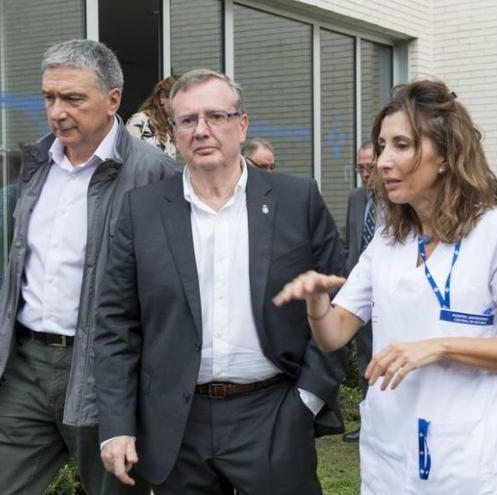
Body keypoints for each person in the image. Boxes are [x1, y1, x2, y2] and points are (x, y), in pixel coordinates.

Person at [273, 80, 497, 494]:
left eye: (401, 145)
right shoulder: (390, 240)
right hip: (389, 453)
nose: (382, 161)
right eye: (381, 145)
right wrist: (318, 304)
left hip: (462, 459)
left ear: (445, 155)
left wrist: (439, 346)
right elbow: (335, 333)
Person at [94, 68, 347, 495]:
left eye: (216, 116)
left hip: (273, 414)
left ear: (241, 124)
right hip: (178, 423)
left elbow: (343, 301)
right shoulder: (144, 211)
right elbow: (116, 324)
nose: (202, 130)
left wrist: (307, 400)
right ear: (173, 132)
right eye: (187, 120)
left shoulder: (296, 200)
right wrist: (116, 425)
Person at [0, 39, 176, 495]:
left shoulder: (154, 174)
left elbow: (170, 288)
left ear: (113, 100)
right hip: (26, 366)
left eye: (72, 98)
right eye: (49, 97)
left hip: (106, 373)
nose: (57, 112)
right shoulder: (37, 165)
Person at [340, 141, 377, 443]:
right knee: (365, 358)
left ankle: (389, 422)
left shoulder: (399, 200)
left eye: (370, 167)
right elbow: (349, 243)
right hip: (360, 294)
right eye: (360, 168)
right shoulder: (356, 198)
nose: (365, 173)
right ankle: (368, 423)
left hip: (390, 295)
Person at [125, 74, 180, 158]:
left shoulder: (169, 127)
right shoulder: (140, 120)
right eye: (177, 100)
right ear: (162, 98)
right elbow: (126, 157)